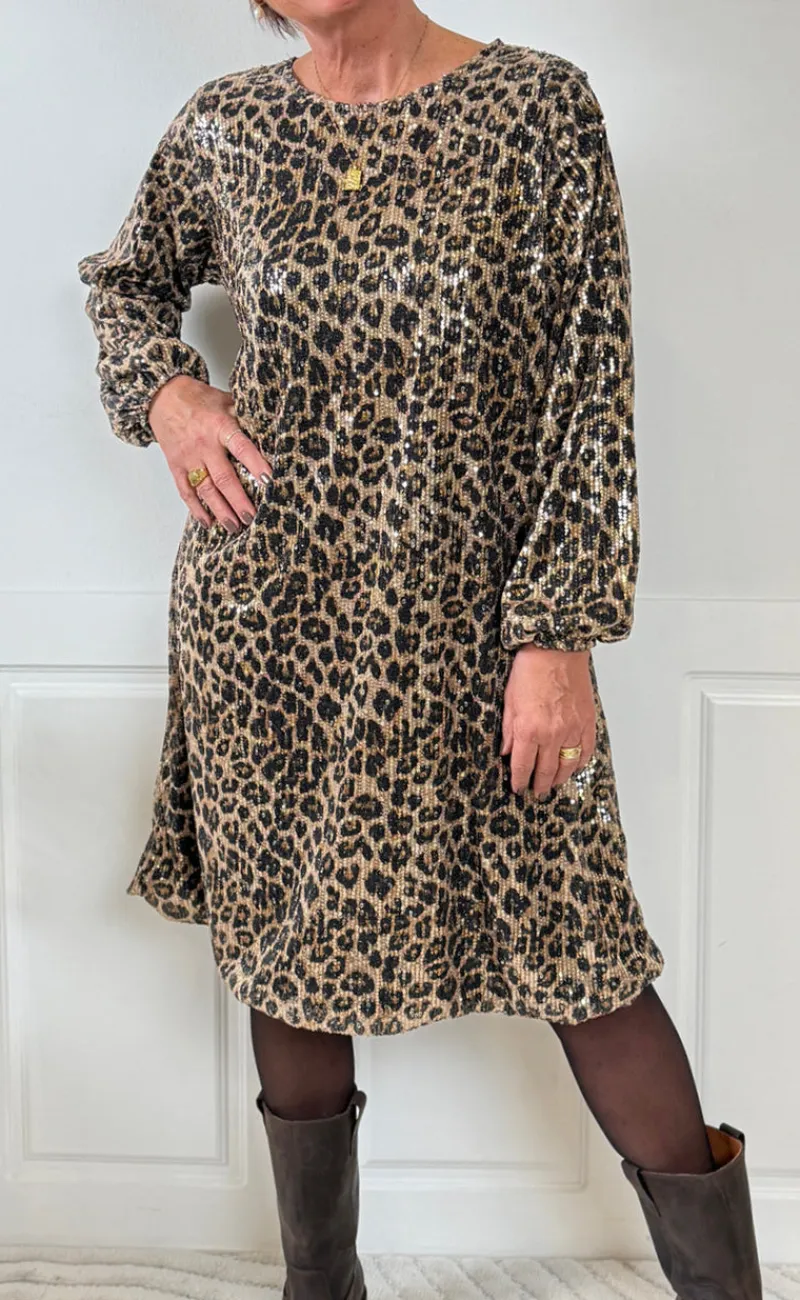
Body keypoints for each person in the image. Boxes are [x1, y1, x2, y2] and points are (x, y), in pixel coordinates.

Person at [76, 3, 763, 1297]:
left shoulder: (536, 109)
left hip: (479, 635)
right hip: (266, 626)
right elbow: (124, 283)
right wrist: (169, 395)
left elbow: (589, 387)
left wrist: (557, 632)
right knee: (290, 949)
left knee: (583, 948)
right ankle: (320, 1287)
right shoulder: (230, 124)